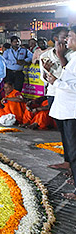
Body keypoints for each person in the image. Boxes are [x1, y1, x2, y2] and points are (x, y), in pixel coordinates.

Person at [47, 25, 76, 200]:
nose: (66, 40)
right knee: (71, 151)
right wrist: (52, 78)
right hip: (66, 110)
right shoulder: (72, 58)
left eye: (70, 36)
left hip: (72, 111)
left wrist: (57, 82)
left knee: (74, 151)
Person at [40, 26, 72, 171]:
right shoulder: (45, 56)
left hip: (69, 96)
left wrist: (61, 57)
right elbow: (44, 78)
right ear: (55, 39)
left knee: (71, 131)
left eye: (68, 37)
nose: (66, 40)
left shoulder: (71, 55)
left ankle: (71, 161)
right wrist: (48, 71)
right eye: (64, 36)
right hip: (54, 94)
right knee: (63, 130)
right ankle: (68, 159)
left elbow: (69, 79)